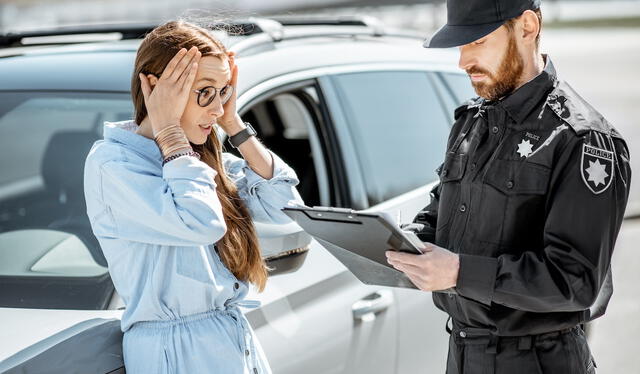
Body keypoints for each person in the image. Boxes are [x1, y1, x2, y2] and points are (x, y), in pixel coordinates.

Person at [385, 1, 631, 373]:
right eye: (461, 46)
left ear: (527, 27)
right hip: (463, 354)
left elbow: (576, 282)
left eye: (478, 41)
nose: (463, 61)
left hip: (537, 361)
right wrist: (404, 239)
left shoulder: (581, 139)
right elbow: (440, 213)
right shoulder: (471, 123)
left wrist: (458, 273)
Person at [84, 20, 302, 373]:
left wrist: (234, 125)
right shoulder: (114, 166)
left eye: (223, 91)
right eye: (204, 91)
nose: (216, 108)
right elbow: (200, 221)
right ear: (155, 86)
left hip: (231, 340)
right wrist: (169, 132)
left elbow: (284, 205)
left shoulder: (198, 157)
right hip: (175, 352)